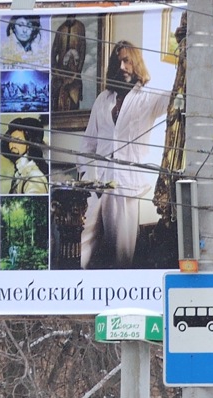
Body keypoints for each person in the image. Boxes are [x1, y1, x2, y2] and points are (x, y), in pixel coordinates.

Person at [78, 41, 170, 268]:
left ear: (136, 63)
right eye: (118, 61)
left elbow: (175, 97)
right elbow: (88, 143)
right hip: (96, 185)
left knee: (121, 254)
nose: (122, 66)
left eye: (127, 60)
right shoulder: (103, 99)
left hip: (126, 187)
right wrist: (84, 175)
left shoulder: (148, 97)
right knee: (80, 245)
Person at [2, 117, 50, 194]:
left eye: (17, 139)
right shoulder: (19, 173)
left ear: (29, 143)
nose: (12, 144)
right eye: (10, 140)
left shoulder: (34, 177)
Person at [52, 15, 89, 112]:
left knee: (74, 100)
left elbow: (82, 50)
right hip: (60, 74)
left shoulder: (80, 27)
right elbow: (54, 51)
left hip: (74, 72)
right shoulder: (61, 29)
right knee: (57, 99)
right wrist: (55, 70)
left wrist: (77, 71)